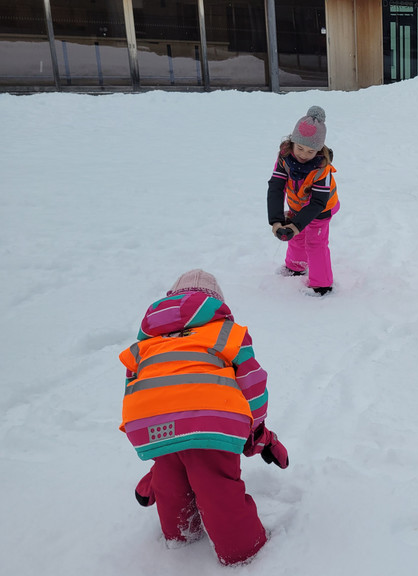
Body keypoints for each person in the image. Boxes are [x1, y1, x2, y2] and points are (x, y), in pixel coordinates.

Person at [120, 269, 289, 566]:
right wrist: (258, 432)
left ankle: (180, 534)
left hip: (148, 422)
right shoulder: (227, 333)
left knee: (170, 473)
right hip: (210, 420)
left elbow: (136, 390)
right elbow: (252, 384)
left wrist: (155, 438)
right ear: (215, 304)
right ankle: (242, 551)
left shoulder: (144, 346)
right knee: (215, 484)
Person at [267, 105, 339, 296]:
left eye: (311, 151)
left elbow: (318, 202)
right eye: (300, 148)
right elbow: (276, 187)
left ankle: (321, 285)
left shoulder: (322, 168)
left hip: (321, 210)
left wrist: (297, 224)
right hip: (296, 206)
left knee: (315, 243)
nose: (304, 154)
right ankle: (296, 267)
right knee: (296, 237)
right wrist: (276, 221)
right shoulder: (284, 158)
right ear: (292, 142)